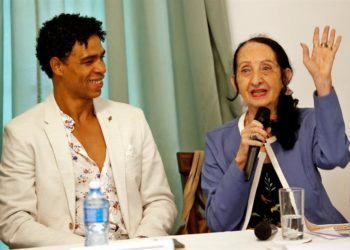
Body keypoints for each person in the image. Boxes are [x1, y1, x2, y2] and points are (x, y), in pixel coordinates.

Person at [0, 13, 177, 248]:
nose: (101, 68)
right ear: (57, 66)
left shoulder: (131, 119)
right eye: (88, 61)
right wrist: (82, 247)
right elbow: (14, 222)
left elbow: (160, 200)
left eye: (101, 58)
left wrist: (141, 243)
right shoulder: (23, 133)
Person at [201, 26, 350, 232]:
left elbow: (337, 157)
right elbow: (219, 223)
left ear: (285, 76)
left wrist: (323, 82)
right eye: (245, 70)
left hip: (311, 242)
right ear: (235, 83)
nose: (255, 79)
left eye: (266, 68)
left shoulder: (307, 122)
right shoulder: (218, 141)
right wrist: (240, 162)